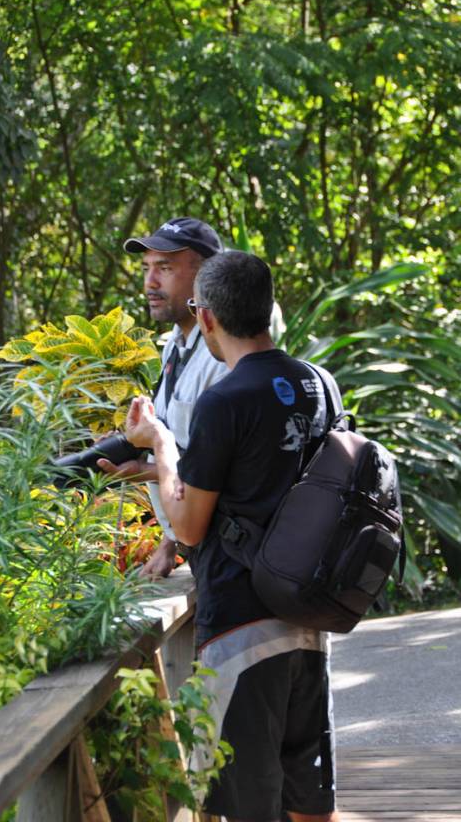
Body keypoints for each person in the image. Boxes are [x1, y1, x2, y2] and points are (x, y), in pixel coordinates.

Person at [124, 250, 342, 822]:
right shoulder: (319, 383)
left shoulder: (224, 401)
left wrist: (161, 444)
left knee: (247, 805)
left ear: (207, 317)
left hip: (241, 626)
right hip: (310, 615)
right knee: (310, 800)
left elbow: (189, 524)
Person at [96, 217, 228, 577]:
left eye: (165, 268)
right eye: (146, 268)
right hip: (198, 546)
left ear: (205, 276)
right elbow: (181, 444)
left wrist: (146, 472)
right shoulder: (175, 342)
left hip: (231, 550)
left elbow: (226, 473)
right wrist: (169, 545)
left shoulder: (224, 353)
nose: (150, 283)